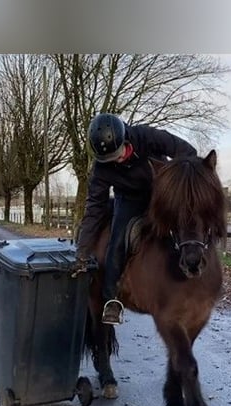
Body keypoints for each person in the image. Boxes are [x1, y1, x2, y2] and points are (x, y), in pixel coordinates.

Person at [76, 112, 197, 325]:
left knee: (186, 225)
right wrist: (82, 252)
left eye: (118, 153)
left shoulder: (147, 136)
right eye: (110, 159)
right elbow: (94, 209)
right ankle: (111, 300)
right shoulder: (101, 169)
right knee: (117, 242)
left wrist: (181, 180)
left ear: (125, 139)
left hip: (161, 192)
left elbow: (188, 152)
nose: (117, 160)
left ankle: (192, 276)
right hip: (129, 201)